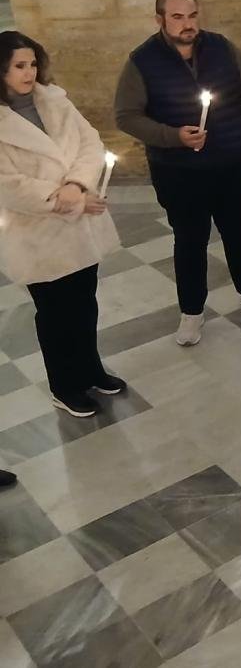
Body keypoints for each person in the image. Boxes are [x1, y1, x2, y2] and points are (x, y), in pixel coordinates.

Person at [114, 0, 241, 345]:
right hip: (178, 171)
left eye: (192, 16)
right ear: (159, 19)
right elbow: (127, 116)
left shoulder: (220, 46)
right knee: (190, 239)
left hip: (232, 162)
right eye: (177, 17)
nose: (187, 24)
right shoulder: (142, 61)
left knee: (238, 229)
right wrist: (173, 135)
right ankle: (191, 311)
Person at [1, 31, 123, 417]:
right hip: (38, 233)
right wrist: (64, 200)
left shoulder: (54, 101)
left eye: (32, 64)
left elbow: (89, 142)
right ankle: (64, 386)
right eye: (19, 66)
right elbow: (9, 184)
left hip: (79, 221)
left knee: (85, 303)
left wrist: (76, 185)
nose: (29, 72)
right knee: (56, 315)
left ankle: (91, 369)